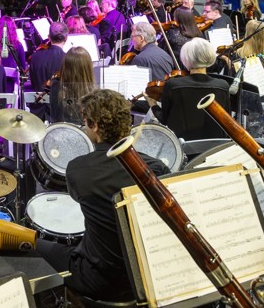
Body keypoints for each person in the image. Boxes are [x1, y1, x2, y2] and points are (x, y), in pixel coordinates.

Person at [37, 88, 167, 303]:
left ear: (95, 125)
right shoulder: (155, 168)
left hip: (102, 279)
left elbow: (80, 198)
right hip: (146, 275)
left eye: (86, 121)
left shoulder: (79, 169)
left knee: (33, 246)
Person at [152, 38, 230, 142]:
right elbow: (227, 121)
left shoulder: (172, 85)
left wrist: (153, 105)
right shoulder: (223, 86)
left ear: (186, 59)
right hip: (214, 147)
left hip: (182, 146)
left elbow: (165, 121)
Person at [50, 46, 96, 124]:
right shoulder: (94, 92)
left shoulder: (56, 88)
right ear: (88, 68)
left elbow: (55, 117)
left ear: (65, 67)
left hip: (62, 132)